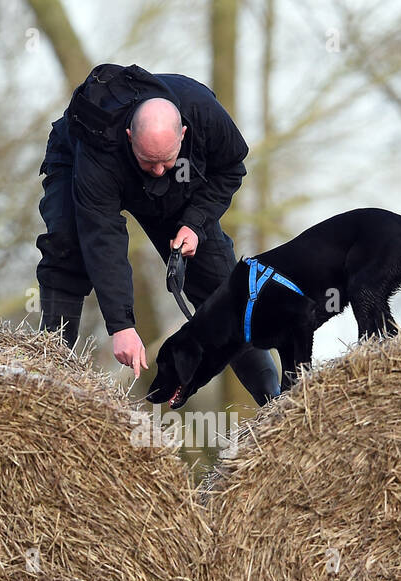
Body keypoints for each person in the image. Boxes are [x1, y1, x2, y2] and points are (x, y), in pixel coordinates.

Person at [35, 63, 280, 404]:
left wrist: (194, 223)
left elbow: (230, 168)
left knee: (222, 287)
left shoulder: (203, 113)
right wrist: (121, 326)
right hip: (77, 157)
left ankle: (275, 400)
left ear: (182, 132)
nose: (160, 170)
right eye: (150, 162)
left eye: (167, 159)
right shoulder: (99, 148)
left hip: (178, 190)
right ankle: (49, 371)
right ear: (130, 136)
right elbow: (102, 236)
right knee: (67, 247)